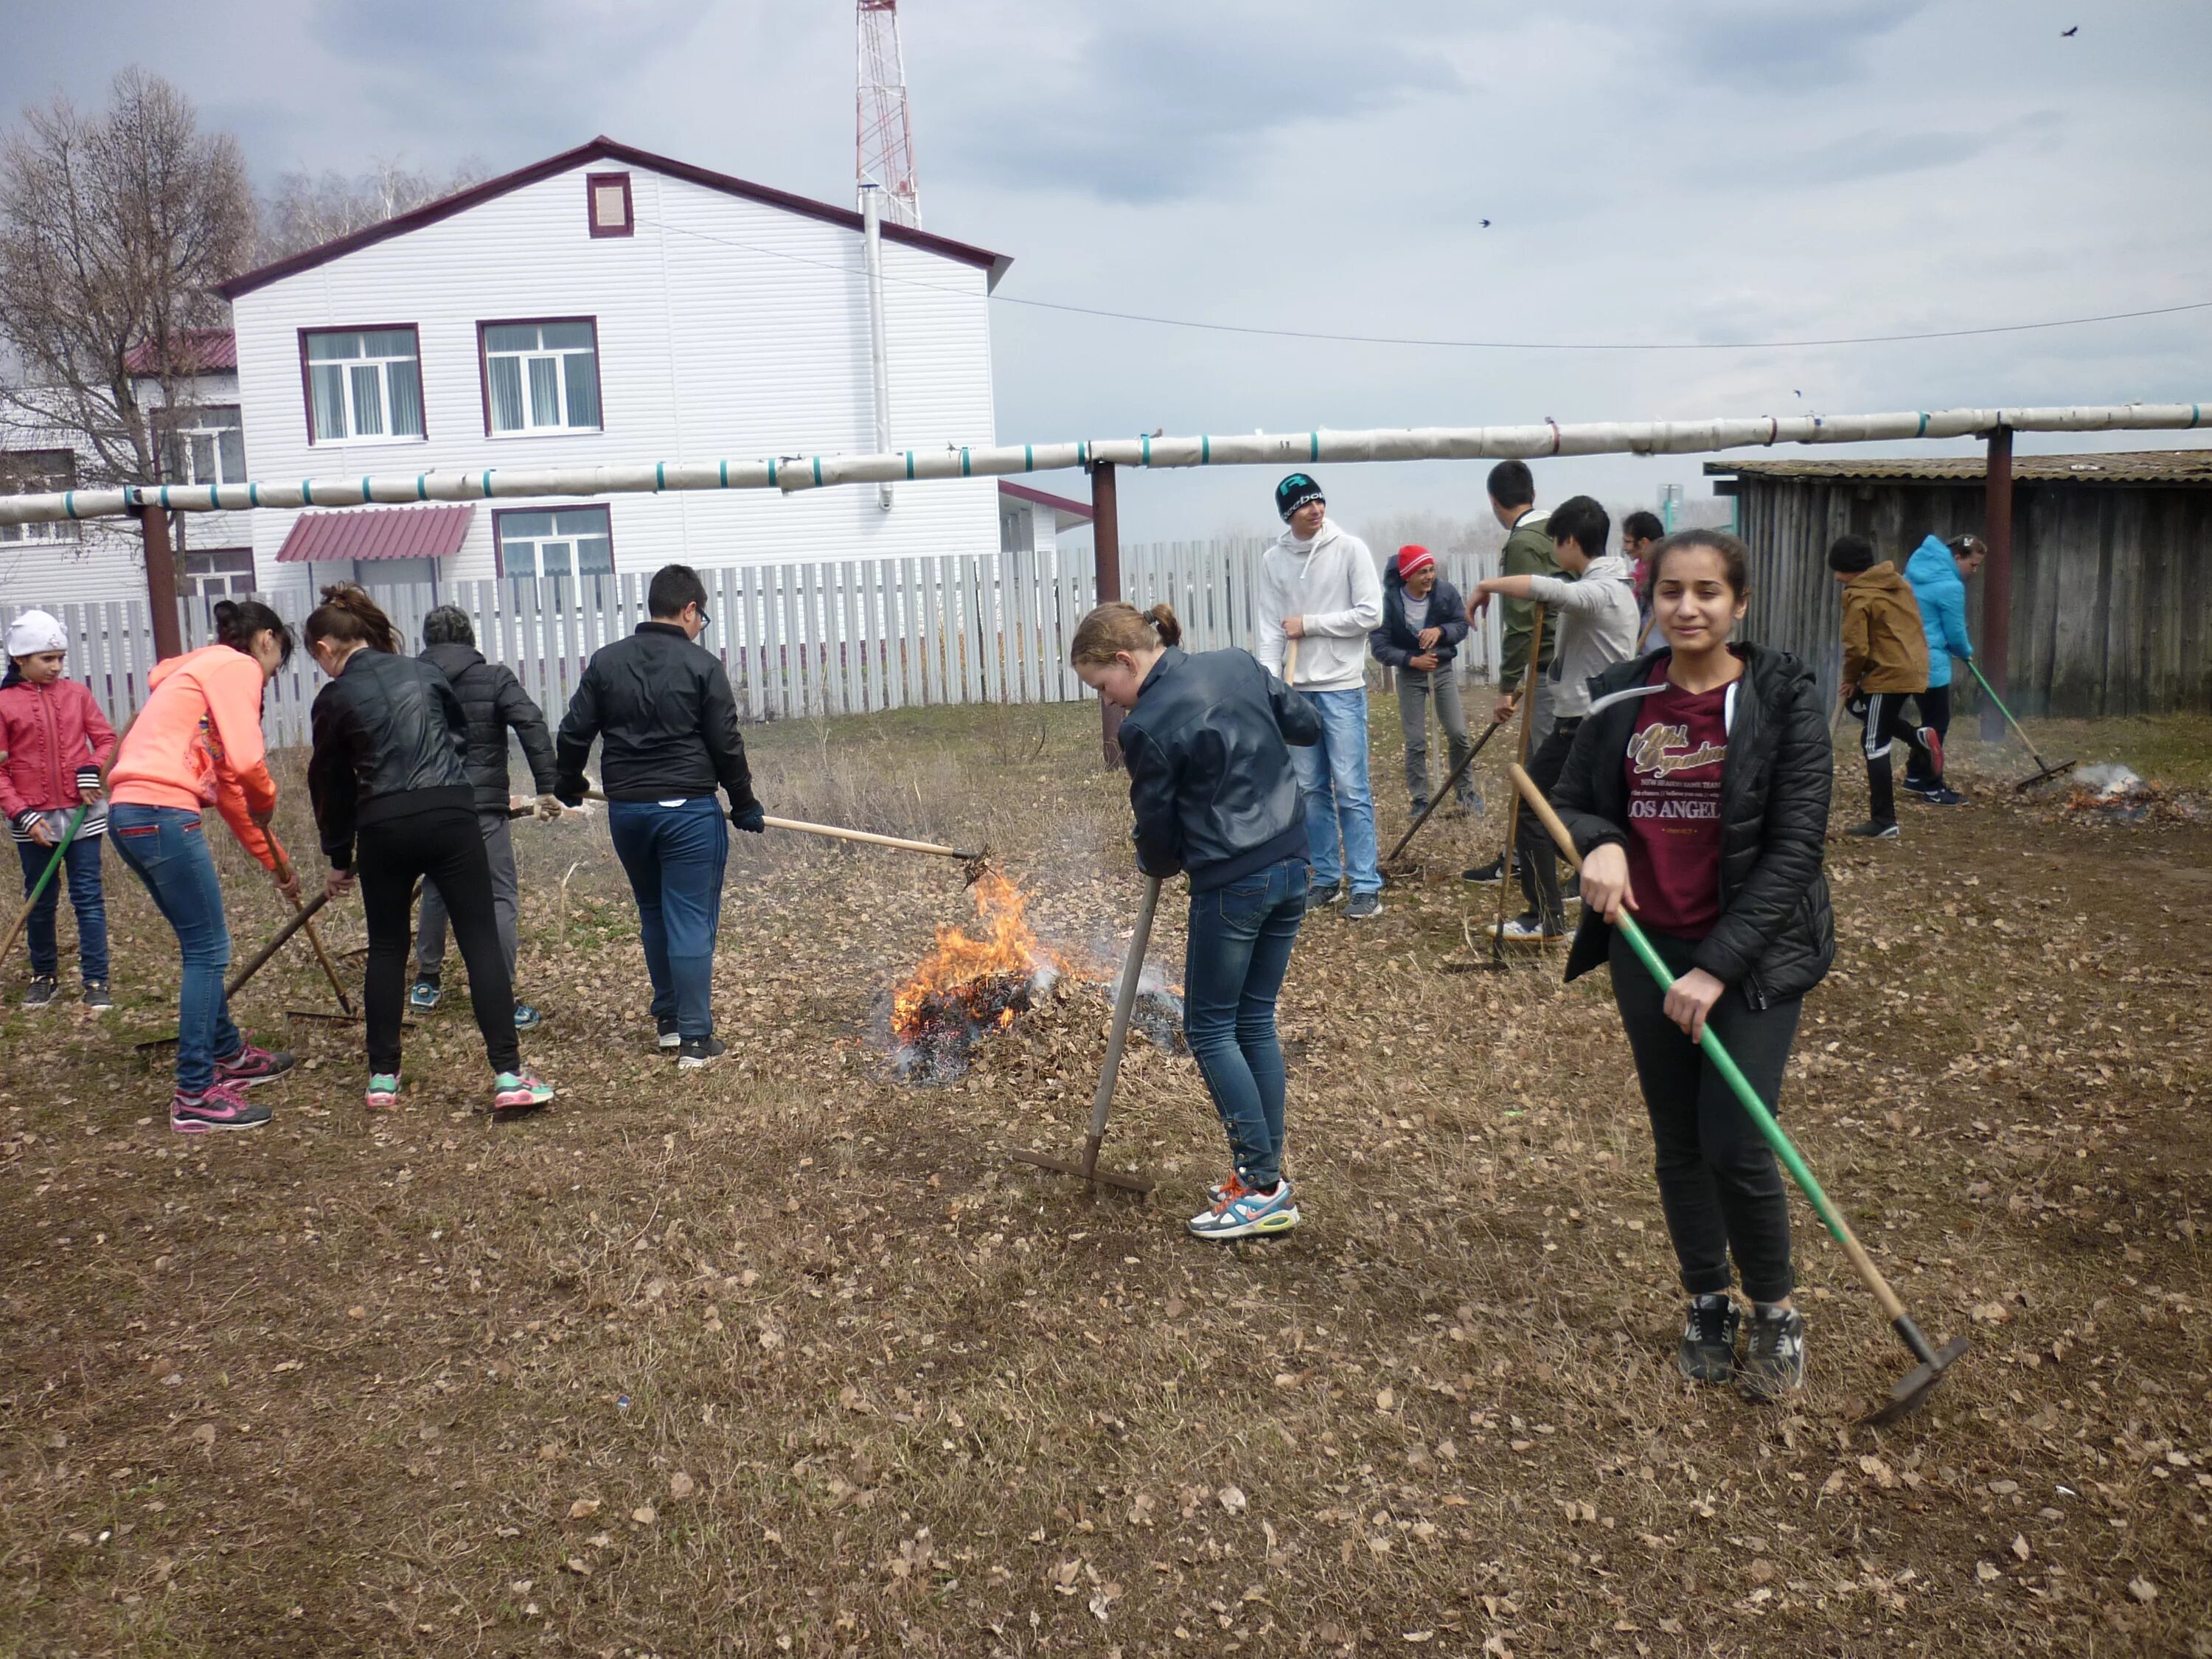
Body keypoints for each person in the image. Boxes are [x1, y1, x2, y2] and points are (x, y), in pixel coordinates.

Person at [1551, 528, 1835, 1402]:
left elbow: (1795, 851)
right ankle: (1707, 1300)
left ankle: (1775, 1312)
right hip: (1647, 946)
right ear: (1652, 601)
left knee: (1736, 1140)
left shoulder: (1783, 700)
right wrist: (1596, 844)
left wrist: (1713, 968)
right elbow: (1561, 799)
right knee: (1678, 1141)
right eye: (1671, 591)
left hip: (1748, 958)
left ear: (1738, 604)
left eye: (1708, 591)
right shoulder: (1618, 700)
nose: (1688, 607)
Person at [1071, 600, 1321, 1240]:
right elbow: (1307, 725)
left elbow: (1158, 840)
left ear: (1127, 661)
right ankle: (1265, 1176)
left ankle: (1261, 1185)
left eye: (1104, 687)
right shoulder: (1236, 664)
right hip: (1294, 862)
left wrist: (1157, 854)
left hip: (1234, 880)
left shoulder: (1148, 723)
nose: (1111, 703)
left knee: (1209, 1029)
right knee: (1253, 1018)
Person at [304, 586, 553, 1116]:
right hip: (450, 814)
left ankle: (382, 1080)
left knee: (388, 947)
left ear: (326, 648)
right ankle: (509, 1076)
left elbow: (330, 784)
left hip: (383, 823)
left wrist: (339, 858)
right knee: (480, 938)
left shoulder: (334, 698)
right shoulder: (422, 673)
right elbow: (457, 739)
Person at [556, 563, 762, 1067]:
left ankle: (670, 1023)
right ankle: (695, 1039)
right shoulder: (702, 666)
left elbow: (572, 731)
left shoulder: (607, 663)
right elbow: (725, 742)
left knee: (654, 911)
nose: (700, 627)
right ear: (689, 609)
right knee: (689, 916)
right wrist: (743, 802)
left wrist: (567, 782)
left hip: (629, 812)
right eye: (702, 617)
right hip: (687, 812)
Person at [107, 599, 299, 1133]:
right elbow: (246, 765)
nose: (269, 676)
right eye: (277, 663)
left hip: (132, 813)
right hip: (160, 811)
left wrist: (276, 861)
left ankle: (226, 1051)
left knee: (201, 944)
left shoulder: (195, 680)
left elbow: (232, 792)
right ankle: (194, 1090)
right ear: (265, 640)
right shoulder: (235, 667)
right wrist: (270, 795)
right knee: (209, 949)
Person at [1468, 495, 1639, 942]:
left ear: (1568, 541)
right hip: (1592, 718)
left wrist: (1488, 584)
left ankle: (1546, 918)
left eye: (1554, 544)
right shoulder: (1616, 583)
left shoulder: (1601, 590)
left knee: (1534, 810)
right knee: (1578, 814)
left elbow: (1552, 591)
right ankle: (1586, 892)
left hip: (1585, 723)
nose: (1552, 554)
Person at [408, 604, 563, 1026]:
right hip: (480, 812)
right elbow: (530, 722)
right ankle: (500, 996)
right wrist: (547, 786)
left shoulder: (409, 680)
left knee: (438, 887)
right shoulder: (495, 678)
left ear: (428, 641)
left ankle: (426, 981)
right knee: (498, 896)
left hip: (426, 806)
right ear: (471, 638)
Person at [1253, 473, 1385, 919]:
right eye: (1304, 505)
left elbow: (1371, 613)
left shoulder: (1350, 549)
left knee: (1350, 787)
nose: (1315, 509)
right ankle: (1326, 878)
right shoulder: (1274, 561)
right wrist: (1273, 687)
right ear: (1288, 514)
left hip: (1342, 687)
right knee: (1310, 790)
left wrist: (1310, 624)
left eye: (1319, 501)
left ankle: (1365, 883)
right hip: (1298, 691)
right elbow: (1272, 627)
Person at [1, 609, 115, 1009]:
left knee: (88, 896)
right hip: (33, 821)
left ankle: (97, 980)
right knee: (41, 898)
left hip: (82, 813)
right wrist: (21, 814)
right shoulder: (3, 703)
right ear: (19, 660)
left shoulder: (77, 695)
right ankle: (44, 974)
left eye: (60, 658)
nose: (56, 666)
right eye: (47, 659)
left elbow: (106, 740)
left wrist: (91, 769)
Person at [1463, 460, 1559, 886]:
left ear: (1493, 501)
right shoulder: (1560, 530)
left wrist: (1507, 687)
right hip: (1567, 665)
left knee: (1542, 772)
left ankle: (1530, 859)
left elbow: (1522, 622)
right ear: (1533, 494)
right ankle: (1524, 854)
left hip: (1550, 668)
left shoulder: (1523, 543)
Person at [1829, 535, 1943, 839]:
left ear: (1847, 568)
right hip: (1913, 668)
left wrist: (1851, 678)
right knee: (1876, 718)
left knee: (1873, 742)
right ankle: (1918, 739)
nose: (1836, 576)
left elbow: (1857, 647)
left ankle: (1884, 820)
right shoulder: (1898, 585)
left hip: (1888, 672)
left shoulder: (1858, 595)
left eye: (1837, 570)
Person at [1368, 544, 1479, 820]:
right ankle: (1420, 801)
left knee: (1458, 734)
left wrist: (1440, 631)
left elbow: (1461, 624)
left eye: (1431, 570)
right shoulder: (1389, 603)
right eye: (1422, 572)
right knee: (1416, 741)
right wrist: (1410, 660)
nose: (1430, 576)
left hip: (1441, 671)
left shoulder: (1445, 593)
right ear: (1407, 576)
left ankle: (1467, 794)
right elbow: (1379, 646)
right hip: (1410, 675)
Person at [1901, 532, 1983, 805]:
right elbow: (1955, 631)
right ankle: (1933, 788)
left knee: (1928, 723)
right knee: (1938, 725)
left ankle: (1914, 776)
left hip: (1905, 655)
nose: (1974, 571)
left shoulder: (1915, 571)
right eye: (1972, 565)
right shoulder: (1950, 586)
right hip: (1931, 661)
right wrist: (1965, 652)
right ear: (1957, 557)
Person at [1621, 509, 1666, 647]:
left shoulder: (1663, 572)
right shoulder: (1640, 575)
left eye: (1627, 542)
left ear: (1643, 543)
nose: (1624, 547)